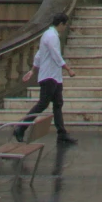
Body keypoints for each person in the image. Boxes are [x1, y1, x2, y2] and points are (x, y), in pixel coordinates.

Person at [18, 9, 76, 144]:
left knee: (57, 104)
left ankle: (62, 133)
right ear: (61, 24)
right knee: (42, 104)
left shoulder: (47, 35)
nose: (65, 27)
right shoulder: (52, 36)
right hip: (49, 76)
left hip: (54, 77)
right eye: (65, 24)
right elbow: (56, 54)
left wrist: (33, 69)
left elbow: (39, 54)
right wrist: (68, 68)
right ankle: (20, 129)